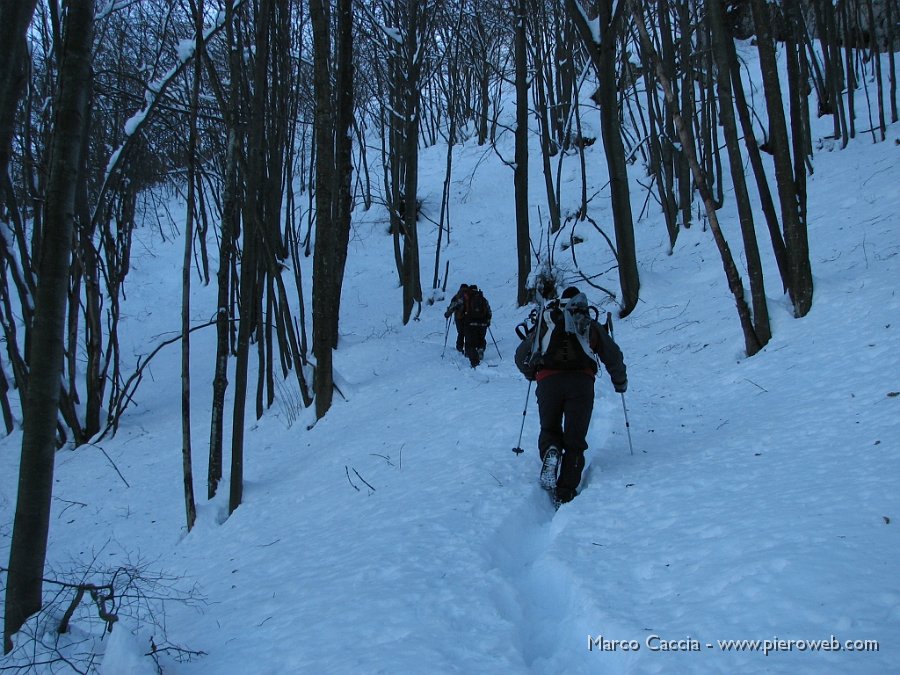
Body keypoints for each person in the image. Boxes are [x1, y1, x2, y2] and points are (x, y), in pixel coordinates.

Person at [514, 286, 627, 505]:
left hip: (548, 382)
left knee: (549, 428)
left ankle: (551, 450)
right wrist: (619, 382)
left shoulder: (546, 321)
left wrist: (532, 373)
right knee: (575, 440)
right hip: (581, 383)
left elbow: (521, 355)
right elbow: (612, 354)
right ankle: (565, 492)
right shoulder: (588, 323)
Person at [461, 285, 491, 368]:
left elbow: (461, 309)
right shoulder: (483, 299)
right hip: (483, 324)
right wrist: (488, 321)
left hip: (470, 324)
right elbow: (488, 311)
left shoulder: (467, 298)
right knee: (481, 339)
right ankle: (481, 349)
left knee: (469, 344)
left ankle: (475, 361)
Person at [444, 284, 470, 353]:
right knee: (468, 332)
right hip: (469, 318)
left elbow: (452, 307)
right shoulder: (470, 296)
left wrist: (447, 314)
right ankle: (469, 348)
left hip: (459, 318)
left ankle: (459, 347)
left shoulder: (457, 297)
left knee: (461, 333)